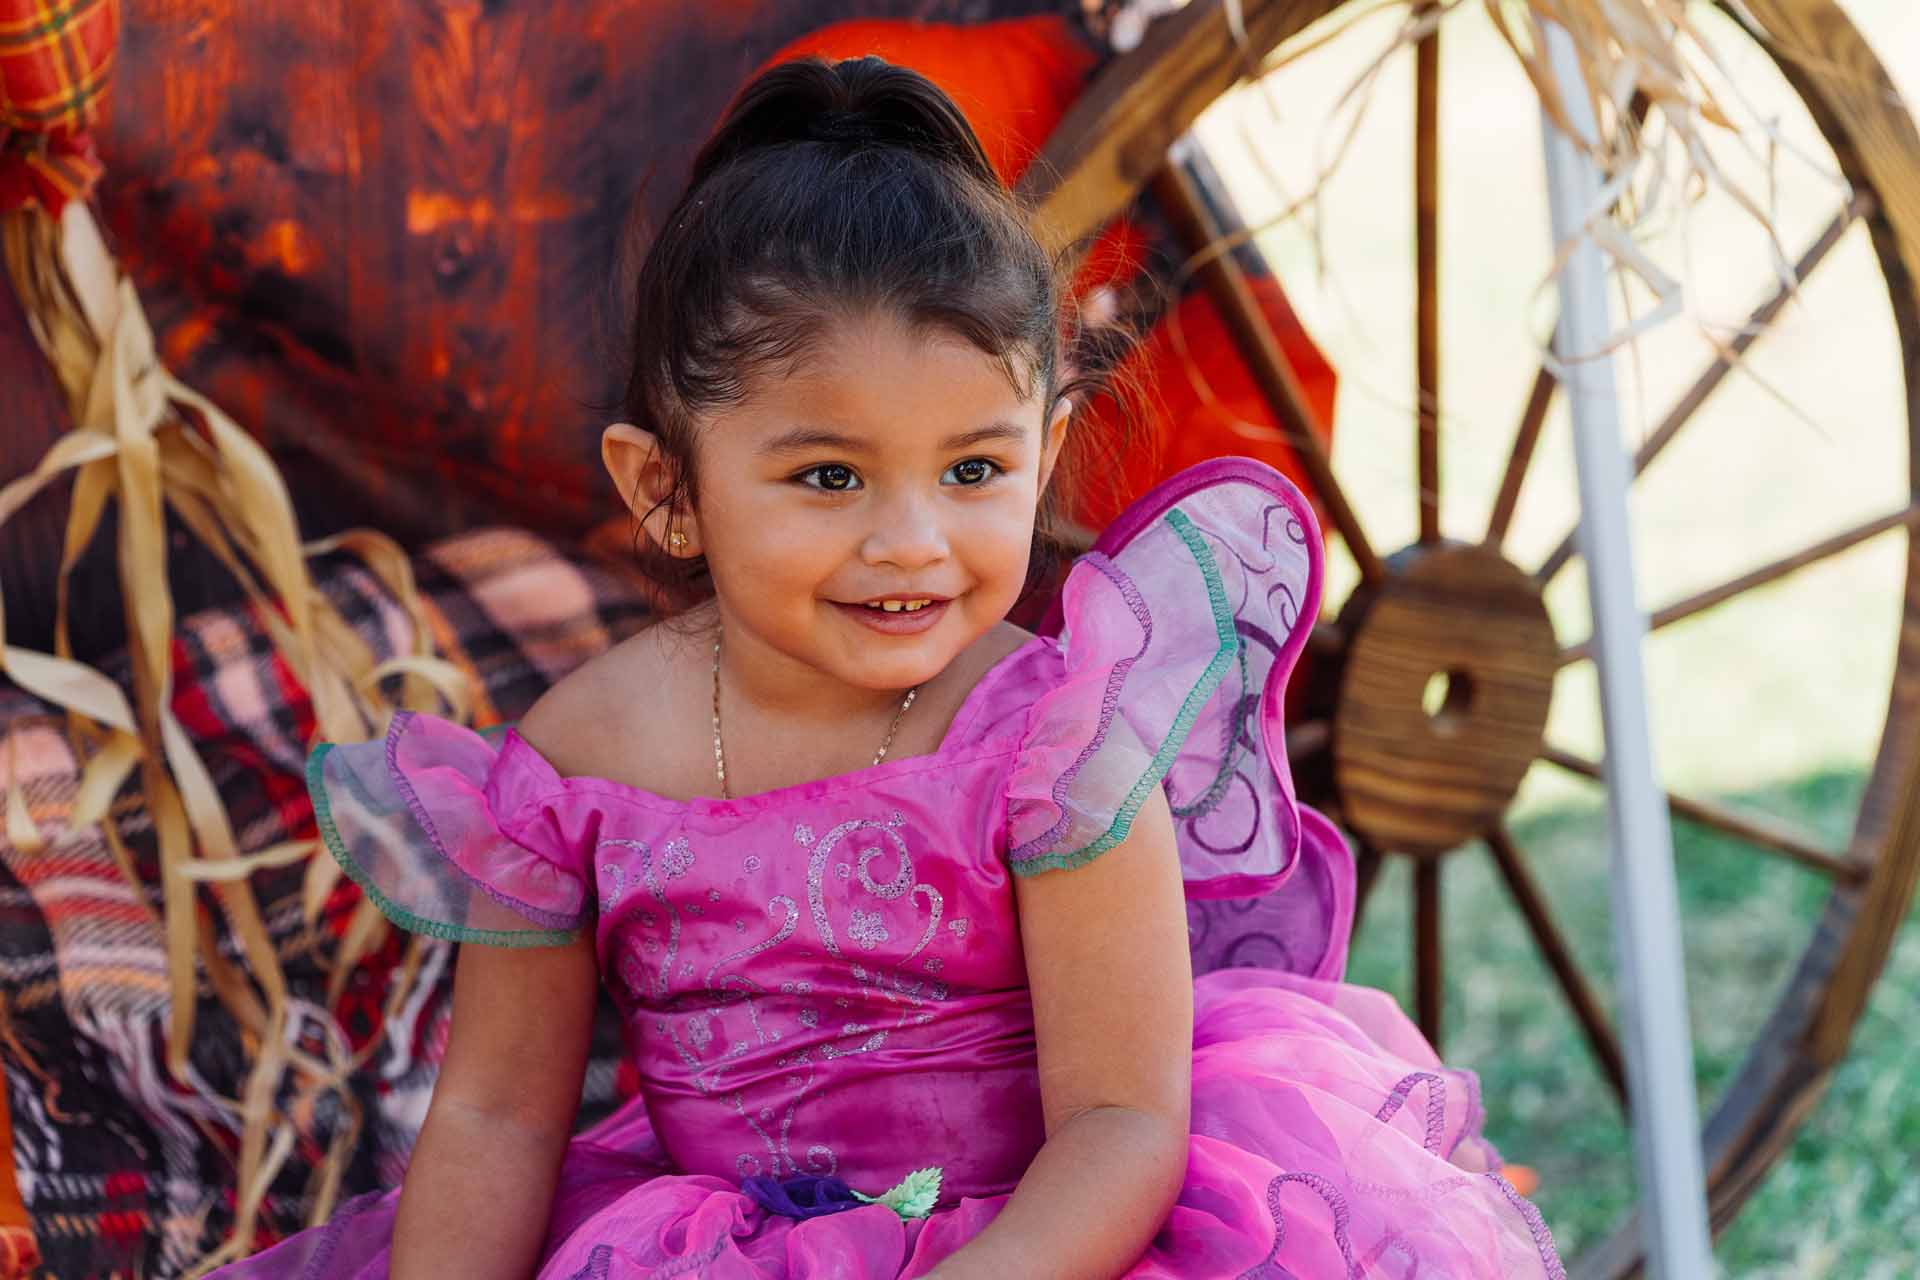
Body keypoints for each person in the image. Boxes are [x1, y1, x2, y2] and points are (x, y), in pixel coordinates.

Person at [218, 56, 1564, 1280]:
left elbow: (1122, 1119)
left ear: (1048, 446)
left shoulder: (1054, 746)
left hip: (1048, 1238)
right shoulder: (580, 767)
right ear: (667, 488)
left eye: (975, 470)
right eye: (829, 476)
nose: (911, 541)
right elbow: (501, 1115)